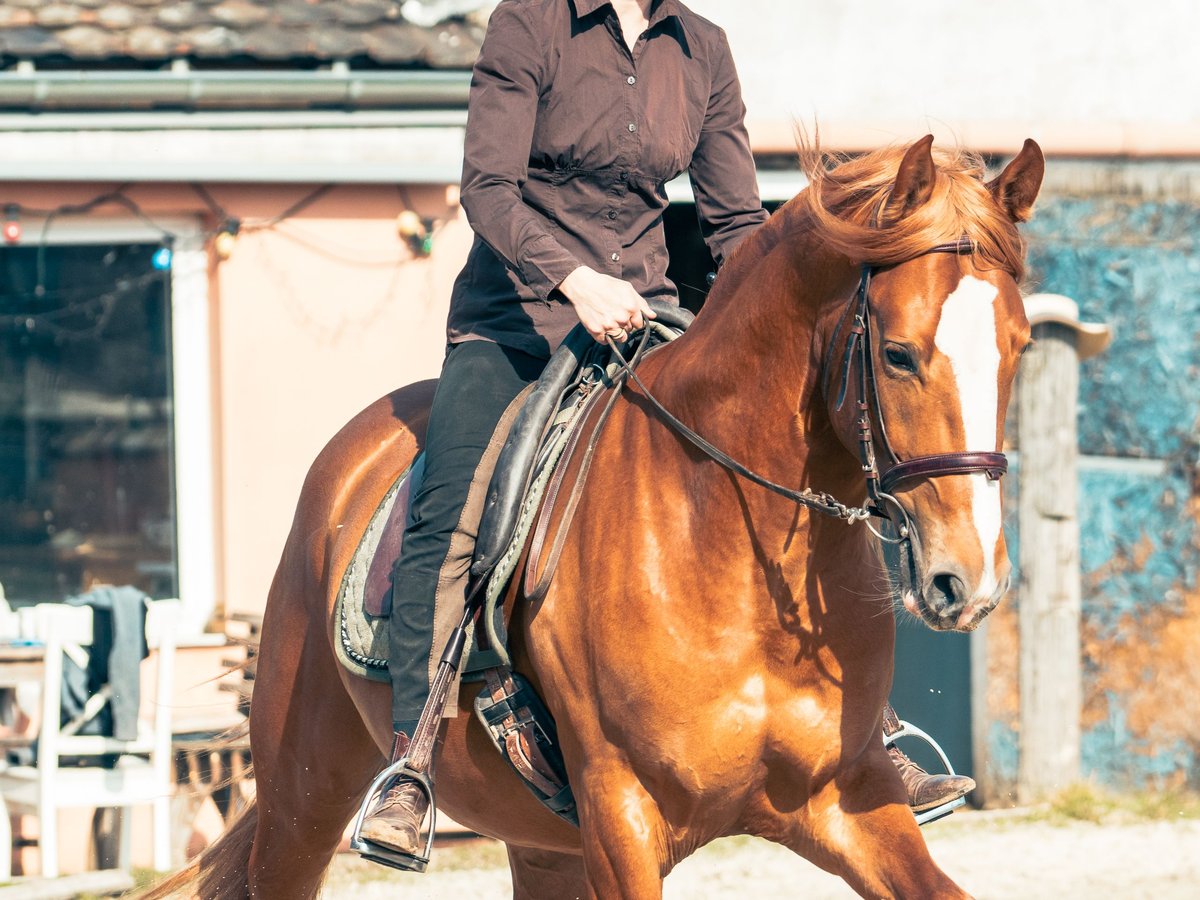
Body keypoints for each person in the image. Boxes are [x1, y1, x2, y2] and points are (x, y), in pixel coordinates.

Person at [359, 0, 973, 862]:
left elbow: (735, 227)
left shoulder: (703, 48)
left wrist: (768, 323)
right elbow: (487, 191)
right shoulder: (528, 25)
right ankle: (412, 761)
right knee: (453, 510)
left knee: (784, 480)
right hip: (518, 325)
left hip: (645, 320)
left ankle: (865, 732)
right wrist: (575, 281)